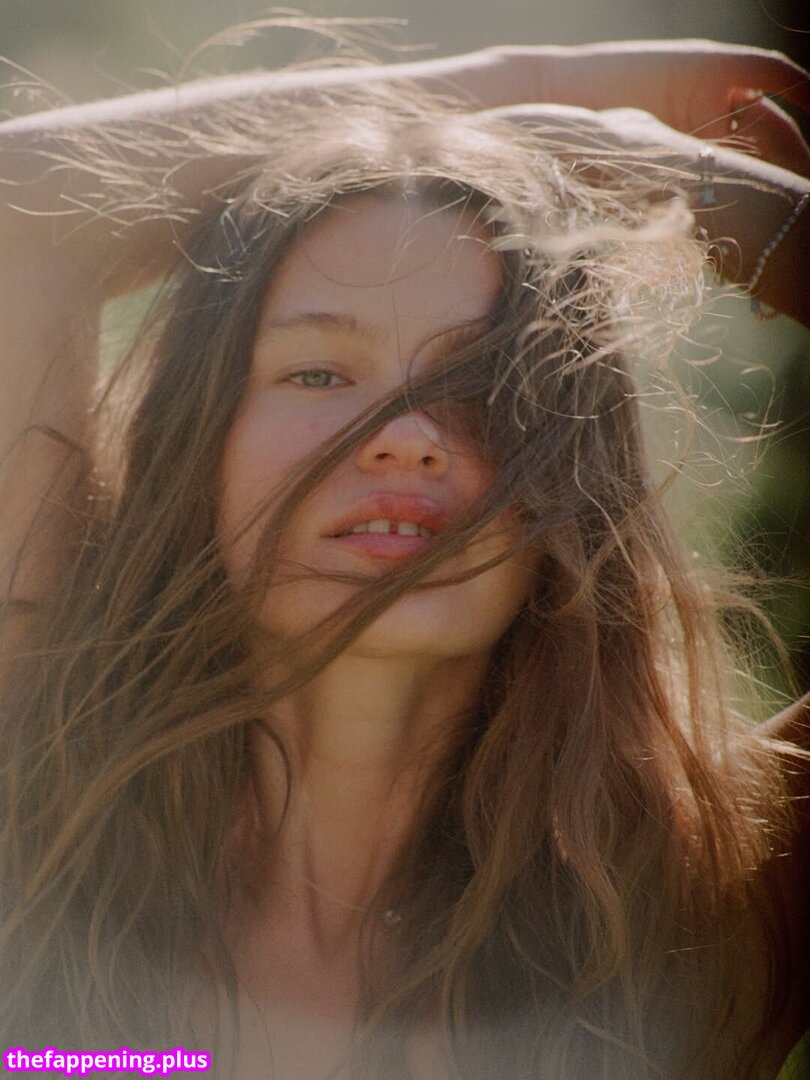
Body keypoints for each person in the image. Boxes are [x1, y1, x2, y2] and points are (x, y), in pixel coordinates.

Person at [0, 35, 809, 1080]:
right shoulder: (31, 788)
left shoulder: (709, 900)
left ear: (579, 483)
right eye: (318, 373)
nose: (407, 436)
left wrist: (719, 202)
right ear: (196, 448)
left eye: (482, 385)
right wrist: (499, 91)